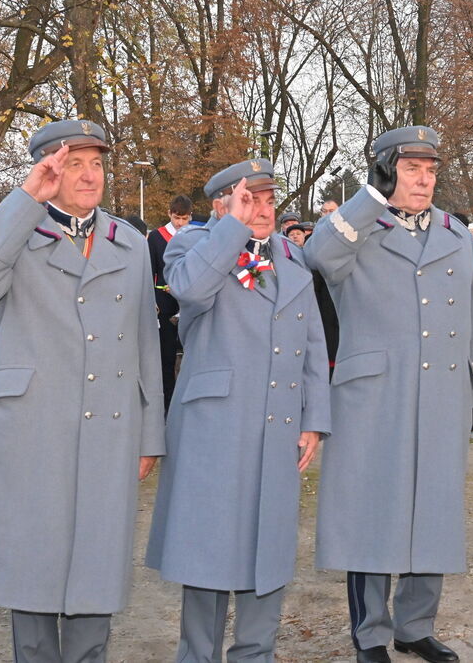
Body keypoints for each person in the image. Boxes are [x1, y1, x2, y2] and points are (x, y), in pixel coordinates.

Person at [0, 120, 165, 662]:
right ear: (47, 168)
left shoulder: (128, 241)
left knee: (97, 562)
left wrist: (149, 432)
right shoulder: (6, 227)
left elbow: (145, 344)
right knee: (33, 565)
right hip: (32, 424)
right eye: (74, 163)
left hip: (108, 424)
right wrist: (28, 198)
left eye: (98, 163)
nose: (89, 175)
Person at [306, 125, 473, 663]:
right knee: (371, 511)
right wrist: (369, 197)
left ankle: (415, 625)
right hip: (374, 396)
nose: (424, 179)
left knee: (432, 509)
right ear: (387, 170)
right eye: (411, 168)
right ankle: (370, 632)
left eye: (431, 169)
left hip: (440, 392)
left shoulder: (456, 234)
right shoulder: (356, 230)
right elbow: (320, 257)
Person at [146, 159, 330, 662]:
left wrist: (315, 418)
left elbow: (313, 341)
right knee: (206, 548)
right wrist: (233, 227)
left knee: (269, 545)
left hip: (279, 423)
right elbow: (189, 289)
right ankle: (197, 655)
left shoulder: (293, 257)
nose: (262, 209)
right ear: (220, 205)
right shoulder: (192, 245)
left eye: (269, 199)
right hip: (214, 426)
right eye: (250, 198)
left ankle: (256, 653)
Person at [148, 194, 192, 412]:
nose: (180, 223)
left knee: (190, 356)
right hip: (164, 303)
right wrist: (152, 299)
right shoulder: (156, 238)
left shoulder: (196, 238)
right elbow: (149, 272)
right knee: (166, 357)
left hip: (189, 303)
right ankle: (166, 405)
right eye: (176, 218)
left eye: (184, 219)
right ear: (169, 214)